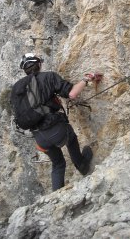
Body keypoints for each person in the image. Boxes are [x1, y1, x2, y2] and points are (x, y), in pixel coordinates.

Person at [11, 53, 95, 192]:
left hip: (39, 137)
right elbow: (72, 94)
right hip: (57, 130)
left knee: (58, 164)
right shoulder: (49, 77)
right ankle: (82, 165)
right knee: (71, 138)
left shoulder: (17, 88)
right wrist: (86, 80)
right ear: (39, 64)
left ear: (25, 70)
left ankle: (57, 197)